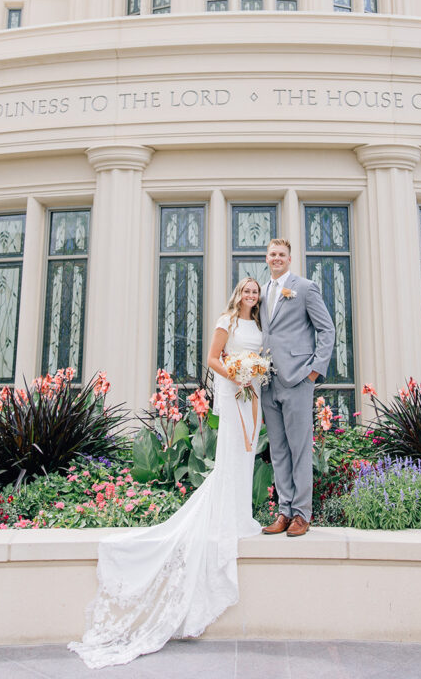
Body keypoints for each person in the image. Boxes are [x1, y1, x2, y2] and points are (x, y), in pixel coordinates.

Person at [69, 277, 265, 668]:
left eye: (255, 292)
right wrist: (237, 376)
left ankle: (242, 515)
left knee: (246, 457)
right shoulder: (226, 319)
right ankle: (226, 516)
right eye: (247, 291)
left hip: (252, 396)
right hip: (234, 392)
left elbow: (256, 357)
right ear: (237, 294)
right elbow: (213, 360)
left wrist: (255, 374)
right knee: (229, 457)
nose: (251, 296)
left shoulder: (257, 325)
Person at [260, 237, 335, 537]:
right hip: (268, 382)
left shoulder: (305, 288)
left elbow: (326, 329)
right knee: (278, 450)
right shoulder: (262, 291)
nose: (276, 258)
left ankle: (302, 514)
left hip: (298, 380)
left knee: (300, 449)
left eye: (282, 254)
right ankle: (284, 511)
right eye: (272, 254)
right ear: (267, 258)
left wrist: (314, 372)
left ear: (289, 259)